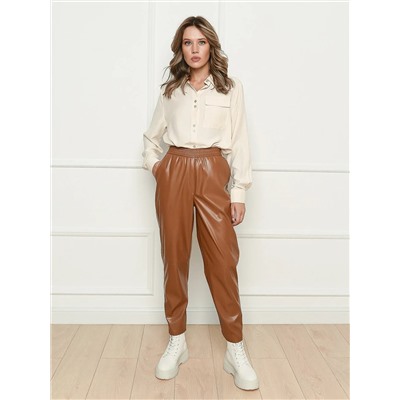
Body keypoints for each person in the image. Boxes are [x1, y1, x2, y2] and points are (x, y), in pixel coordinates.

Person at [141, 16, 259, 391]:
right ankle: (177, 340)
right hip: (174, 171)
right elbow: (151, 139)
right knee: (174, 259)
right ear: (181, 48)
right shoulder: (171, 90)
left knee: (223, 262)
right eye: (188, 43)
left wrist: (238, 191)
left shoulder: (230, 89)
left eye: (201, 42)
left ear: (211, 46)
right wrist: (159, 168)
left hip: (212, 172)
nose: (194, 49)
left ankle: (234, 348)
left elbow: (239, 141)